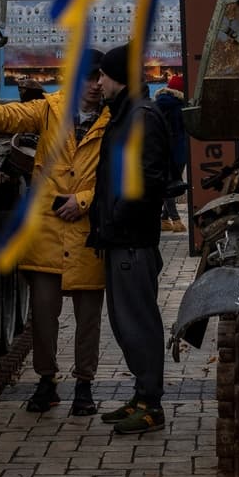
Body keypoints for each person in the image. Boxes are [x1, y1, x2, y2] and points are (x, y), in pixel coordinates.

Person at [0, 53, 108, 416]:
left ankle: (84, 385)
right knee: (44, 317)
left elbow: (118, 179)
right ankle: (46, 382)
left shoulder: (114, 121)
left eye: (101, 78)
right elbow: (13, 115)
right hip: (47, 232)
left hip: (87, 233)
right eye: (90, 77)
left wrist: (84, 201)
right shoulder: (50, 109)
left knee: (88, 319)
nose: (96, 85)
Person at [87, 45, 172, 435]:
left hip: (131, 241)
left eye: (103, 75)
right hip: (119, 238)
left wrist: (118, 221)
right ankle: (141, 397)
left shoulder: (140, 117)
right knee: (124, 324)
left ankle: (151, 406)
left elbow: (147, 182)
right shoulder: (125, 115)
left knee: (138, 323)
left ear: (118, 76)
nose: (98, 82)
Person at [153, 72, 191, 233]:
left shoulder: (160, 104)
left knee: (170, 184)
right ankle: (175, 220)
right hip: (177, 151)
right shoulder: (179, 107)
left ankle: (163, 219)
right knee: (171, 185)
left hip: (162, 150)